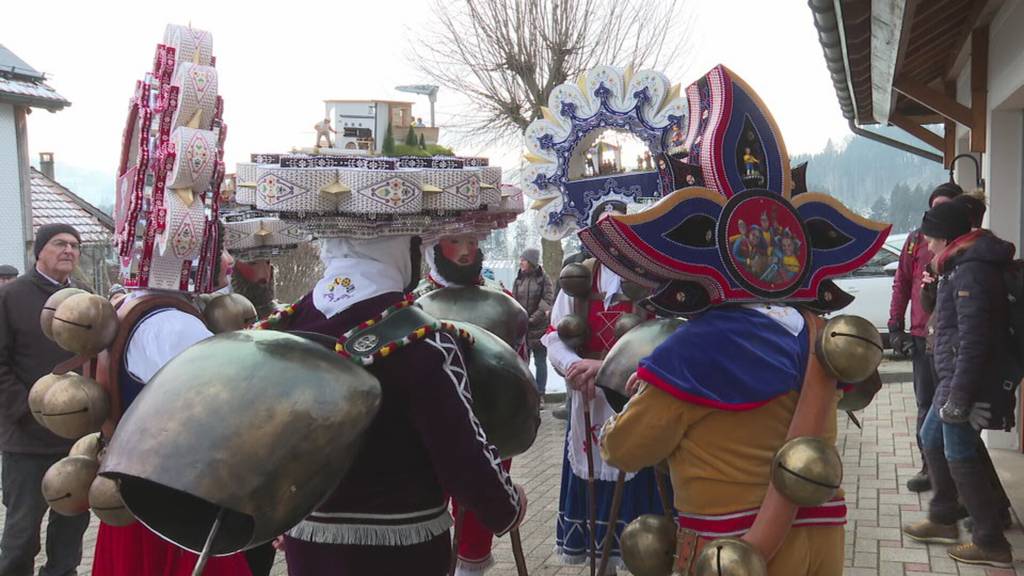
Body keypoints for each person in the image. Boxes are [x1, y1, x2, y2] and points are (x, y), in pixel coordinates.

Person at [278, 236, 525, 575]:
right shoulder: (423, 339)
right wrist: (507, 506)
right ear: (401, 247)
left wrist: (276, 513)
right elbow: (461, 452)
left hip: (309, 542)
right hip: (399, 544)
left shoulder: (289, 324)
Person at [902, 200, 1016, 568]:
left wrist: (960, 398)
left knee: (959, 453)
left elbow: (974, 340)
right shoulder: (955, 266)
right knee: (932, 438)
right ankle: (943, 516)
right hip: (951, 378)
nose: (928, 247)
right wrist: (932, 290)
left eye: (932, 239)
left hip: (965, 383)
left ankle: (990, 541)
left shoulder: (971, 270)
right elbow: (947, 320)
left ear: (947, 235)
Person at [543, 258, 667, 574]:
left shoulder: (656, 272)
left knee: (647, 499)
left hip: (641, 398)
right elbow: (555, 335)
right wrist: (573, 367)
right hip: (589, 403)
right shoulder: (581, 276)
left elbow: (671, 335)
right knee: (594, 492)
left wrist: (607, 370)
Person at [0, 224, 91, 576]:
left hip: (75, 439)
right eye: (59, 244)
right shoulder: (11, 297)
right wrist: (27, 408)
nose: (69, 250)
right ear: (40, 251)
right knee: (22, 535)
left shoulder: (84, 297)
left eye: (75, 245)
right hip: (26, 438)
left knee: (69, 537)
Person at [889, 181, 963, 493]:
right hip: (923, 337)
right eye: (934, 208)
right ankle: (929, 467)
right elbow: (902, 283)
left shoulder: (965, 248)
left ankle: (955, 480)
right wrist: (896, 326)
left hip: (953, 341)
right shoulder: (915, 241)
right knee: (925, 404)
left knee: (950, 409)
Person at [511, 248, 554, 402]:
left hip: (539, 328)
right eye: (521, 259)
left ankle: (540, 394)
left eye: (523, 259)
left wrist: (532, 318)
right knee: (522, 362)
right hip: (523, 328)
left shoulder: (543, 278)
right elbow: (514, 300)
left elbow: (547, 301)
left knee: (540, 362)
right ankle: (525, 394)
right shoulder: (518, 278)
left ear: (531, 262)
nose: (520, 262)